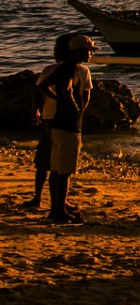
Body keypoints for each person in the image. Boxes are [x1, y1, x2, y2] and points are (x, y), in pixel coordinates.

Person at [42, 34, 94, 225]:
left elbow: (43, 85)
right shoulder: (74, 68)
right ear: (78, 51)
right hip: (68, 126)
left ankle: (56, 209)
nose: (90, 54)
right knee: (64, 172)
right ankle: (59, 211)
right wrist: (73, 107)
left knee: (57, 170)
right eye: (88, 51)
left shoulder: (64, 67)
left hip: (58, 124)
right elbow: (80, 95)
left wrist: (58, 100)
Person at [28, 33, 75, 212]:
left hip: (50, 118)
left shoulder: (51, 69)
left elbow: (38, 92)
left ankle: (39, 198)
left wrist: (36, 110)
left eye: (56, 49)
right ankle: (57, 201)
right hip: (63, 120)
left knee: (44, 163)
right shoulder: (78, 70)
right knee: (59, 164)